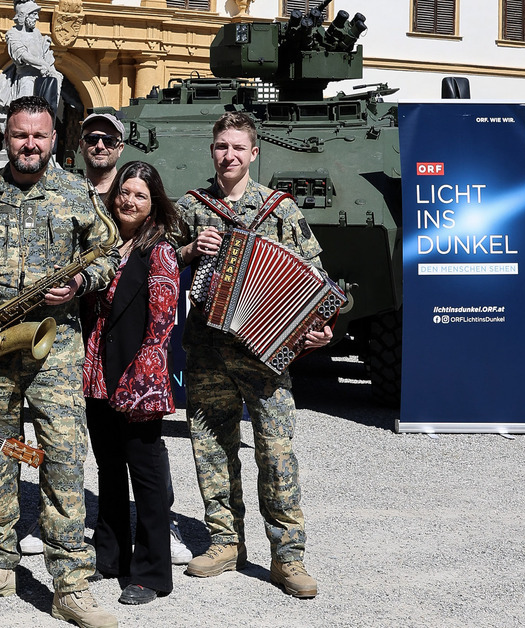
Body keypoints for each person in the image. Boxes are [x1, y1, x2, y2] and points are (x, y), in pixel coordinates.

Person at [0, 95, 120, 628]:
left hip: (57, 348)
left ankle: (70, 582)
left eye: (39, 136)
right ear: (6, 137)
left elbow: (109, 253)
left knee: (62, 458)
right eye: (20, 134)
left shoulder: (76, 191)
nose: (29, 144)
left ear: (53, 139)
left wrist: (81, 281)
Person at [174, 111, 331, 599]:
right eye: (222, 146)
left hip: (266, 354)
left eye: (238, 147)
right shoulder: (190, 208)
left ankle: (288, 557)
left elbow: (317, 277)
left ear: (253, 153)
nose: (229, 155)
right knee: (211, 448)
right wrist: (188, 251)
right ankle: (225, 542)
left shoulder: (279, 210)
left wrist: (319, 327)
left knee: (276, 453)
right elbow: (155, 261)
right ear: (212, 150)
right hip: (207, 352)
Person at [79, 113, 192, 567]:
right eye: (124, 192)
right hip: (97, 373)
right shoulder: (101, 245)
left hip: (136, 375)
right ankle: (110, 557)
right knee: (108, 468)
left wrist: (138, 380)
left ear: (153, 203)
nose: (129, 200)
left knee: (144, 472)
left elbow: (161, 328)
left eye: (140, 195)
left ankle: (152, 570)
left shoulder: (159, 250)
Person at [0, 1, 63, 132]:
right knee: (24, 114)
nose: (37, 17)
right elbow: (23, 55)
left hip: (41, 79)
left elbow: (43, 54)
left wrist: (51, 68)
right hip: (25, 80)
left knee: (45, 113)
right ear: (24, 15)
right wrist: (42, 64)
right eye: (33, 14)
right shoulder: (13, 34)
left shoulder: (36, 33)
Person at [79, 113, 126, 207]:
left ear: (120, 148)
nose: (100, 146)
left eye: (109, 140)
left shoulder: (129, 195)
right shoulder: (68, 191)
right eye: (92, 139)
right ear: (81, 145)